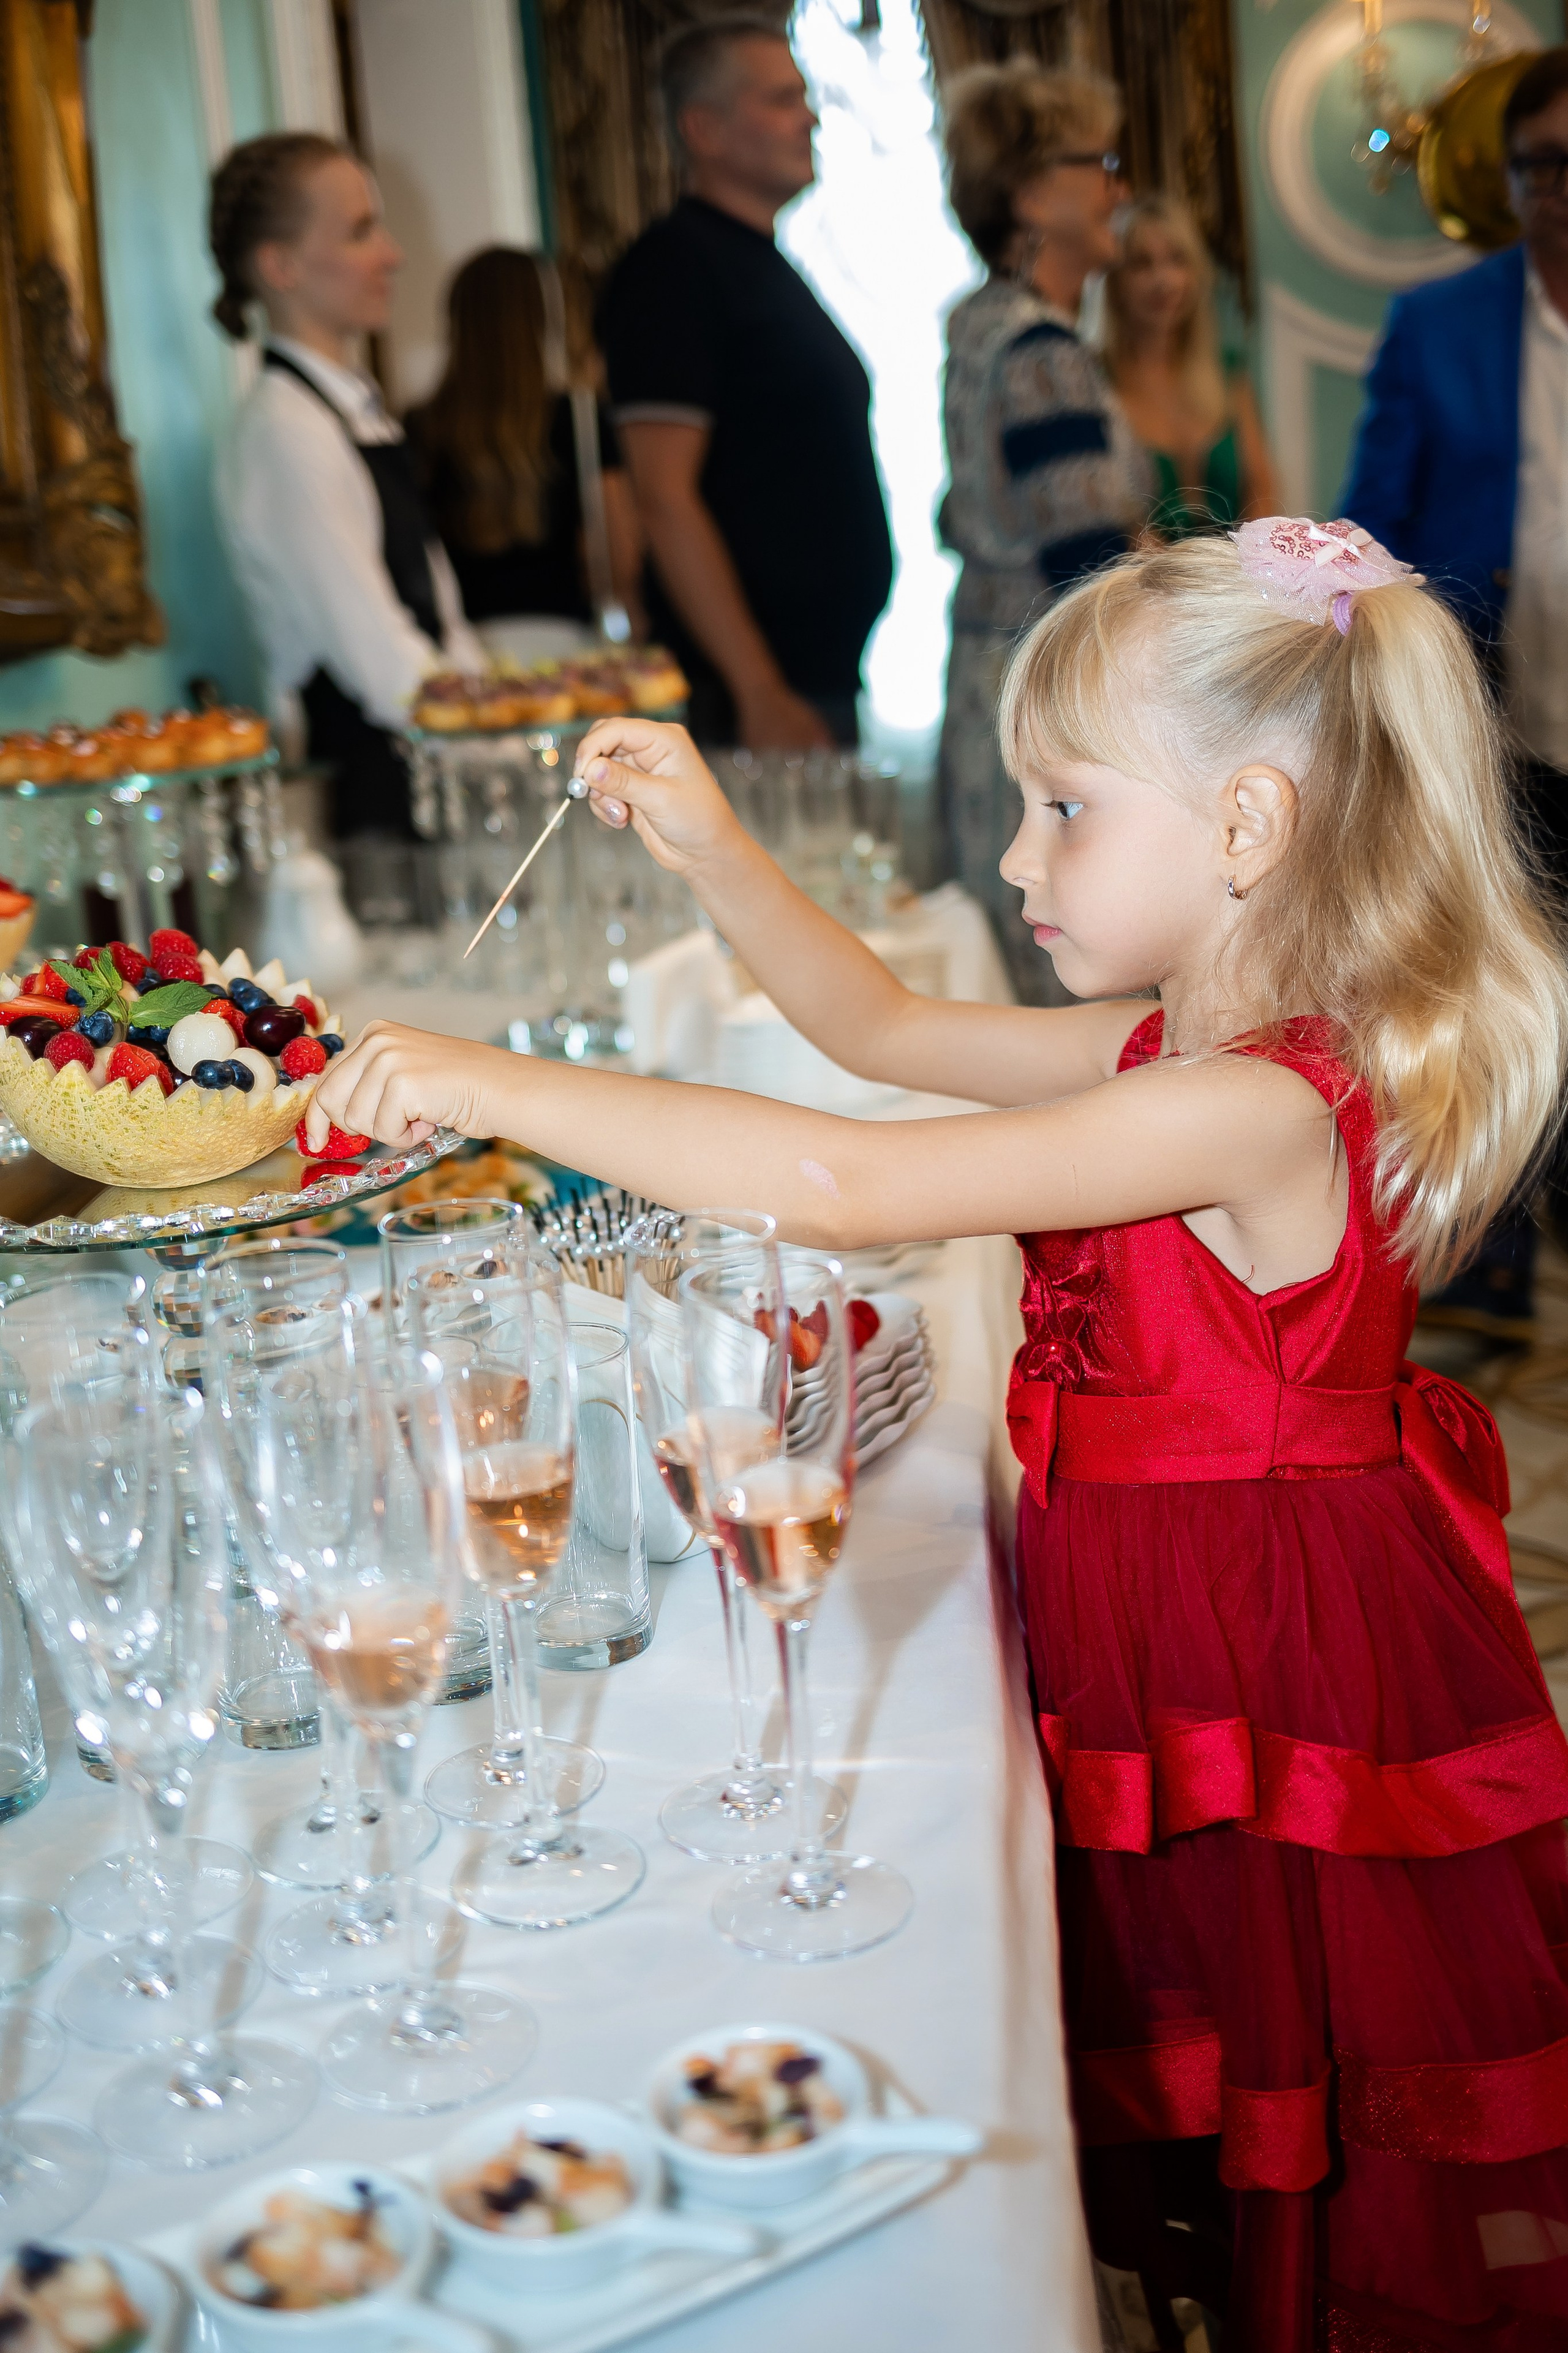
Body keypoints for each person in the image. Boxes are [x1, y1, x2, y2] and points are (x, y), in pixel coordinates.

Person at [309, 515, 1568, 2348]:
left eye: (1063, 805)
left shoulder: (1254, 1102)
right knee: (1213, 2071)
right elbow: (880, 1026)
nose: (1009, 853)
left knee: (1307, 2080)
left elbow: (837, 1171)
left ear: (1246, 828)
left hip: (1273, 1645)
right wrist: (710, 844)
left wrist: (476, 1073)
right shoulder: (1169, 1046)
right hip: (1169, 1619)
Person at [1341, 46, 1568, 1338]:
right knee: (1498, 982)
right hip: (1497, 714)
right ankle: (1489, 1272)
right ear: (1511, 176)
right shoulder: (1441, 326)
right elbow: (1372, 525)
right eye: (1542, 165)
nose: (1561, 192)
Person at [597, 14, 892, 749]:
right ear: (704, 128)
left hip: (807, 676)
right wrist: (757, 687)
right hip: (748, 699)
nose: (810, 118)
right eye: (781, 99)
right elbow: (663, 498)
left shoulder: (758, 263)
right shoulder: (674, 270)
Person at [937, 62, 1148, 1006]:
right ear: (1029, 194)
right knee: (1068, 984)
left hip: (989, 673)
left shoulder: (979, 327)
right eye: (1099, 164)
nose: (1120, 188)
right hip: (1047, 686)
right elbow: (1091, 567)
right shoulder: (1041, 350)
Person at [211, 132, 482, 839]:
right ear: (281, 266)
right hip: (368, 812)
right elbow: (382, 661)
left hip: (423, 779)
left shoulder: (350, 410)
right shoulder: (285, 431)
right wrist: (510, 743)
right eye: (361, 231)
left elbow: (441, 620)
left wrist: (501, 710)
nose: (392, 254)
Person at [404, 246, 644, 634]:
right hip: (564, 644)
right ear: (543, 318)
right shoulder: (576, 419)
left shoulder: (420, 427)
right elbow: (619, 555)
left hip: (462, 649)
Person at [1101, 193, 1278, 538]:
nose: (1163, 280)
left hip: (1234, 580)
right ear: (1115, 281)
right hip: (1139, 584)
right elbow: (1108, 516)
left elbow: (1263, 485)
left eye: (1177, 261)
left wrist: (1247, 570)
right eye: (1142, 263)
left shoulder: (1228, 372)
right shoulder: (1095, 381)